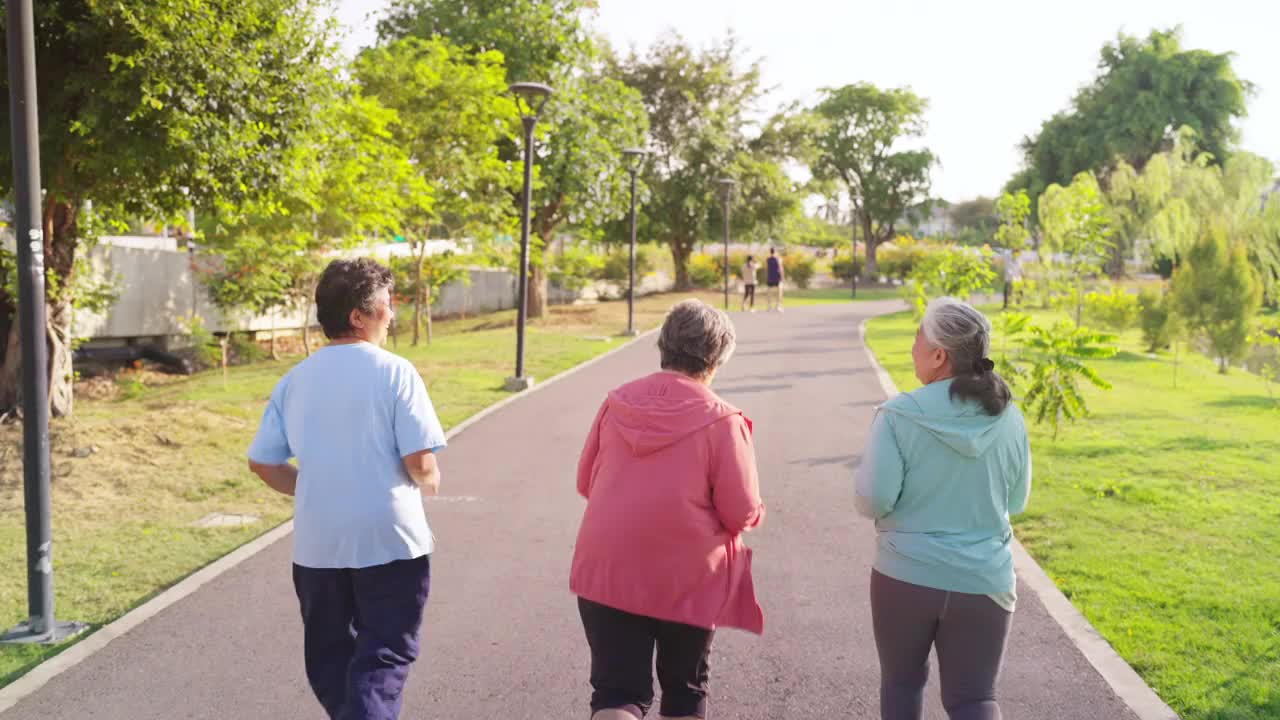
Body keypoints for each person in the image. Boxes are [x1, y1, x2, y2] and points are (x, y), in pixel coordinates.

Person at [248, 258, 447, 720]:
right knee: (385, 654)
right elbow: (419, 461)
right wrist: (430, 479)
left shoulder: (293, 380)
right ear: (358, 316)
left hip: (319, 544)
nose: (391, 315)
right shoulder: (396, 372)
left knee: (330, 658)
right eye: (385, 306)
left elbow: (262, 462)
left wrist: (314, 487)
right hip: (389, 540)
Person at [571, 299, 766, 720]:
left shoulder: (615, 402)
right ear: (715, 360)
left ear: (663, 344)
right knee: (685, 688)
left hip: (607, 568)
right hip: (687, 577)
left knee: (616, 691)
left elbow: (586, 481)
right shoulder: (721, 420)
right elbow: (740, 512)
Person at [854, 297, 1031, 720]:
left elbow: (872, 499)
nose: (912, 344)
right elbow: (1017, 501)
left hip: (905, 575)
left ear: (938, 355)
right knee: (974, 699)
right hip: (984, 580)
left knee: (902, 684)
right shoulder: (1008, 415)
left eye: (919, 334)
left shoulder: (899, 415)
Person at [764, 247, 784, 312]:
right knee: (779, 292)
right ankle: (778, 306)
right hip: (777, 278)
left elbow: (767, 269)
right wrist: (782, 277)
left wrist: (767, 277)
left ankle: (769, 306)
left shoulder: (768, 259)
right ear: (775, 252)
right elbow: (780, 269)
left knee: (769, 293)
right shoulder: (778, 259)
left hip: (770, 278)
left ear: (770, 251)